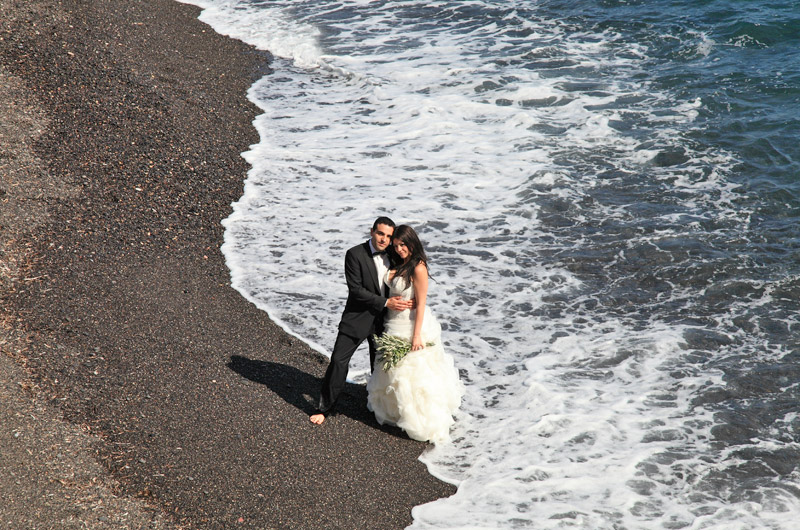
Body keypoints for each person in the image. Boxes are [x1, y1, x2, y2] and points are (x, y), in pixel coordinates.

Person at [310, 217, 414, 425]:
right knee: (339, 361)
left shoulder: (394, 255)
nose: (384, 239)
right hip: (356, 318)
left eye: (388, 236)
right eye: (380, 233)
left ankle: (379, 408)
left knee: (380, 366)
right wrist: (386, 303)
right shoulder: (354, 254)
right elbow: (356, 291)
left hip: (384, 322)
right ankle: (325, 408)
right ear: (372, 231)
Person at [367, 225, 464, 443]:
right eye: (397, 245)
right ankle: (396, 412)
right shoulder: (398, 262)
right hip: (392, 322)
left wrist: (417, 335)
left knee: (414, 373)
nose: (400, 249)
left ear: (412, 243)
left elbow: (421, 305)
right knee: (392, 370)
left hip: (411, 325)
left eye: (404, 245)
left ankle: (420, 418)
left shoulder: (418, 268)